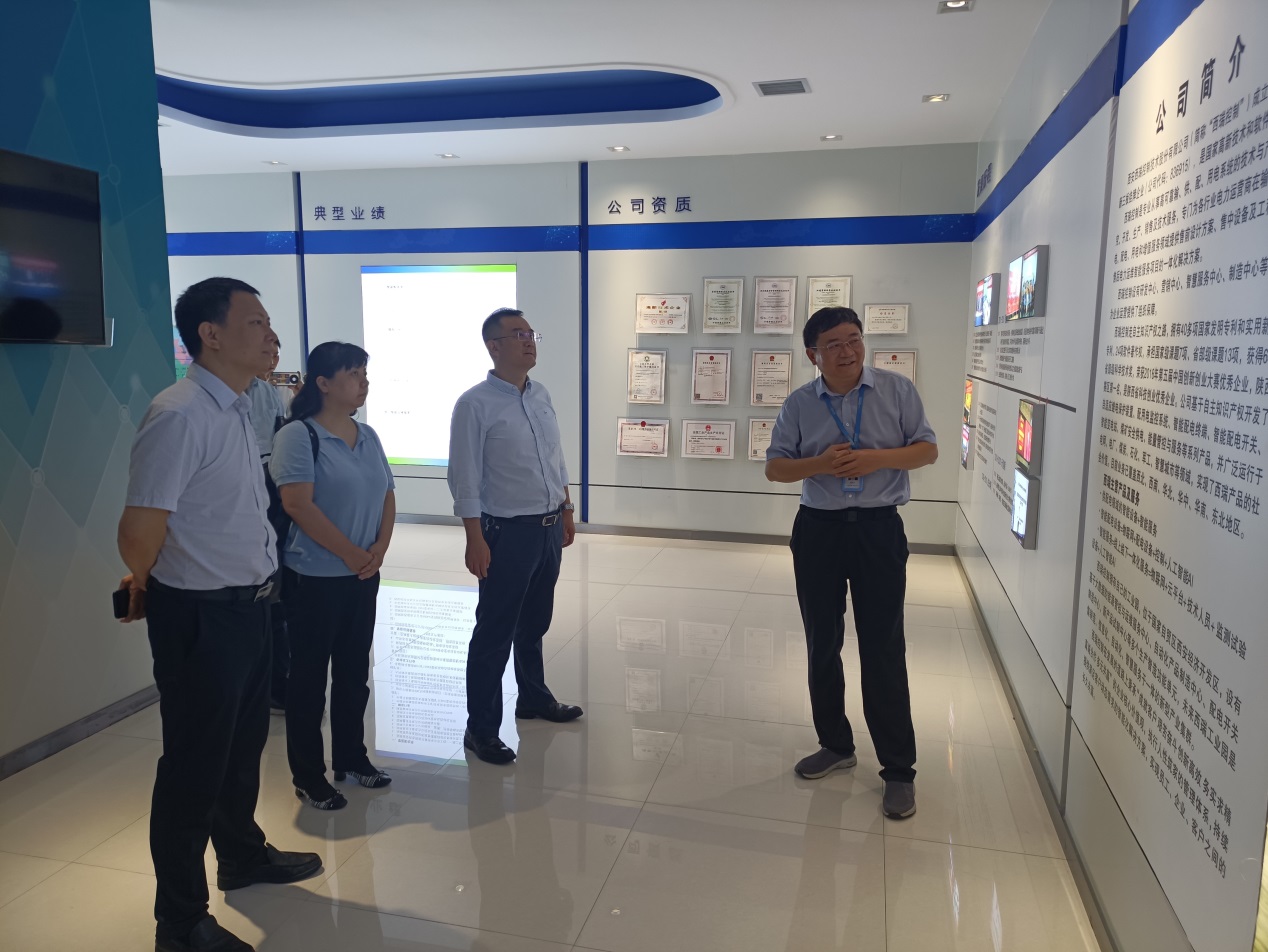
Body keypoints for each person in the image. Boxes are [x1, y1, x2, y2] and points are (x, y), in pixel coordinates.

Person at [117, 278, 322, 952]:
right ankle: (180, 920)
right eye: (256, 322)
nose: (272, 336)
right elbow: (140, 528)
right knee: (193, 769)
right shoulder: (179, 414)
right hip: (202, 617)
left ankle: (240, 853)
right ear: (210, 334)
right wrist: (149, 580)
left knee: (240, 749)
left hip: (250, 607)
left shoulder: (235, 405)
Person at [764, 306, 937, 819]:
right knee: (822, 642)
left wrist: (874, 459)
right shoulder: (799, 403)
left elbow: (926, 450)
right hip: (819, 530)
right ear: (812, 354)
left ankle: (899, 770)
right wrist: (822, 464)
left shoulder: (897, 391)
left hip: (879, 529)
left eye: (854, 339)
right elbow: (776, 468)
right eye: (834, 344)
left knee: (883, 647)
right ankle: (836, 744)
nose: (848, 351)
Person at [448, 307, 582, 765]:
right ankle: (481, 728)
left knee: (534, 623)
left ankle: (534, 697)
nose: (529, 340)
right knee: (495, 631)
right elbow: (464, 476)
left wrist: (566, 508)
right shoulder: (475, 404)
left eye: (530, 333)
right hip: (505, 532)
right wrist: (474, 538)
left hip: (547, 527)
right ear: (494, 346)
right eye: (518, 334)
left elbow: (555, 459)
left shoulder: (540, 394)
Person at [271, 341, 396, 810]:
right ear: (323, 383)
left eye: (365, 373)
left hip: (362, 575)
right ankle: (308, 775)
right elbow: (297, 504)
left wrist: (378, 550)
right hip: (315, 579)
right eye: (354, 374)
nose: (364, 382)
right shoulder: (298, 435)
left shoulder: (368, 435)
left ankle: (351, 756)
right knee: (308, 680)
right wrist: (351, 554)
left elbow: (387, 494)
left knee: (353, 673)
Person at [247, 340, 290, 711]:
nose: (272, 357)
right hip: (248, 487)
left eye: (275, 350)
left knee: (275, 588)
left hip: (271, 481)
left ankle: (277, 683)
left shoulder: (270, 393)